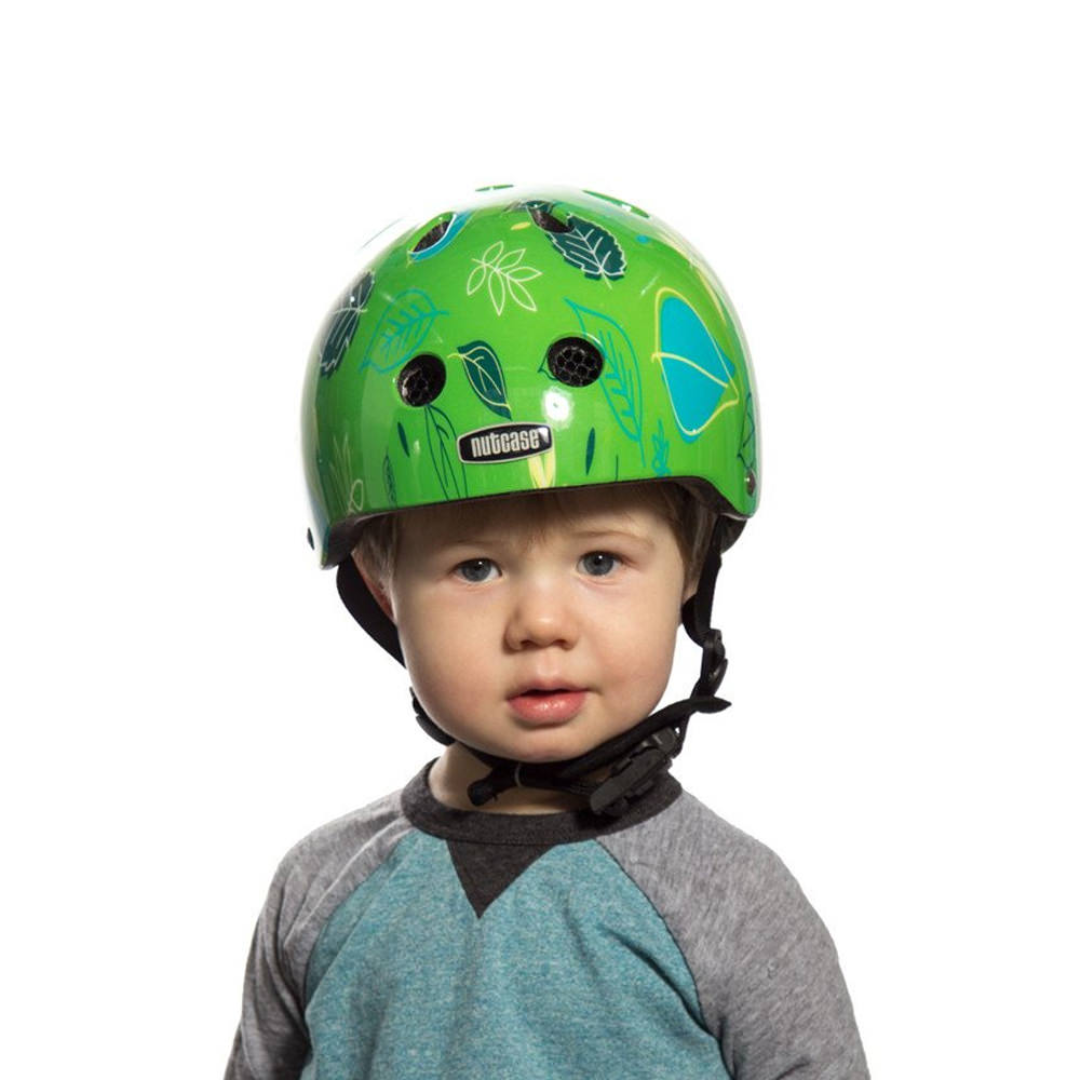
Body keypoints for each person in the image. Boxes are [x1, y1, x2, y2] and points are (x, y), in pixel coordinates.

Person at [224, 186, 870, 1079]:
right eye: (475, 568)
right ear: (379, 584)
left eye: (601, 561)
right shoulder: (319, 892)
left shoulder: (734, 906)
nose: (540, 624)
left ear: (693, 563)